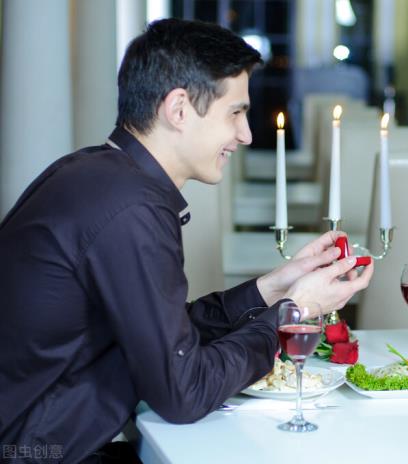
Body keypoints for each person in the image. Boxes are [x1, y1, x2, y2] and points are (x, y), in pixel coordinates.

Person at [0, 18, 373, 462]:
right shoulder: (132, 207)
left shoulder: (100, 174)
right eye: (235, 112)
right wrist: (295, 313)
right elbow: (184, 392)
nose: (245, 134)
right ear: (178, 109)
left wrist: (273, 288)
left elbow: (165, 338)